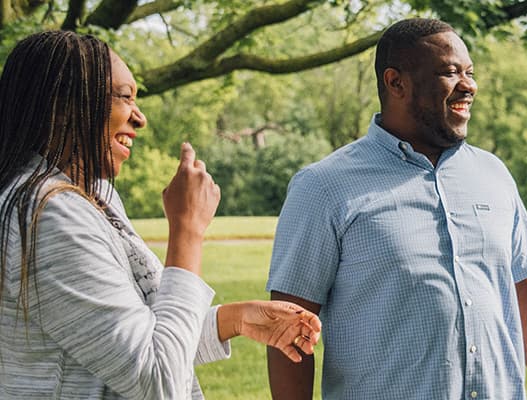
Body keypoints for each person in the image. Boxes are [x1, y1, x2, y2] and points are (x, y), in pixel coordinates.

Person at [0, 31, 321, 399]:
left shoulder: (86, 197)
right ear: (64, 104)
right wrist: (187, 230)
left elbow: (137, 343)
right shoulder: (48, 216)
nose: (140, 118)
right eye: (124, 97)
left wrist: (235, 319)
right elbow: (157, 380)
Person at [266, 18, 527, 400]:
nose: (469, 85)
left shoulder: (493, 173)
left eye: (470, 72)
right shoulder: (323, 187)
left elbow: (523, 288)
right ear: (396, 83)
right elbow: (289, 326)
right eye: (449, 72)